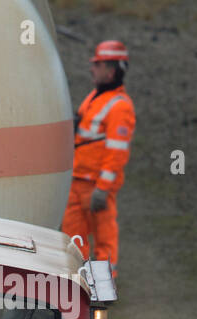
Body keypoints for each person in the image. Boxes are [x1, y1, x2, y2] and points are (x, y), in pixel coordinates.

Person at [61, 40, 135, 278]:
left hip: (95, 186)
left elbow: (117, 152)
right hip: (77, 182)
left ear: (111, 70)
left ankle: (102, 291)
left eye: (97, 64)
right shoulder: (95, 97)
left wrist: (102, 189)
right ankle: (77, 289)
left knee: (104, 242)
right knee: (73, 242)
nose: (92, 68)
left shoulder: (120, 107)